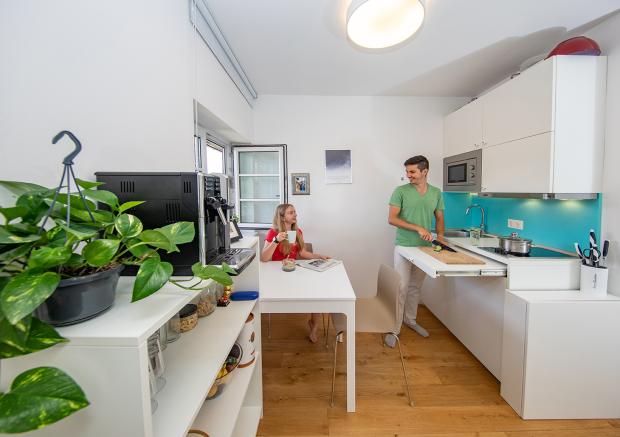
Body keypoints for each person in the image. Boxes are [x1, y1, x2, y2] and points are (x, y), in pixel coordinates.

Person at [387, 155, 445, 346]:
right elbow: (392, 219)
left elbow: (439, 218)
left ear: (425, 172)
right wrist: (418, 228)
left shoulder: (436, 193)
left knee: (415, 287)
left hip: (425, 248)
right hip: (404, 246)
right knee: (401, 287)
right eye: (407, 171)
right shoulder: (400, 191)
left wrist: (441, 239)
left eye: (412, 171)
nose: (408, 175)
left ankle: (410, 320)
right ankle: (394, 328)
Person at [260, 203, 330, 343]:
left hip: (292, 271)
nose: (295, 214)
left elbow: (302, 253)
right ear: (282, 216)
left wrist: (319, 256)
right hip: (276, 275)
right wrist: (276, 240)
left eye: (295, 212)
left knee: (317, 292)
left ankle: (313, 324)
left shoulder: (297, 231)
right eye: (291, 212)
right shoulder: (273, 232)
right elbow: (264, 258)